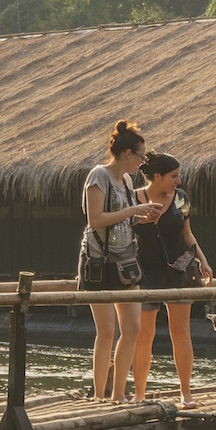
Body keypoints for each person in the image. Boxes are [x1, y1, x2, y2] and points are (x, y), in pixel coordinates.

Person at [79, 119, 159, 402]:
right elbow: (96, 219)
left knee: (133, 328)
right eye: (140, 157)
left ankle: (119, 394)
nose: (141, 163)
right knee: (107, 331)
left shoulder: (126, 181)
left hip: (126, 261)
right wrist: (133, 210)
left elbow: (124, 218)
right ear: (128, 155)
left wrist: (142, 215)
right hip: (100, 261)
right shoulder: (98, 176)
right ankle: (100, 395)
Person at [128, 152, 214, 405]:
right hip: (147, 269)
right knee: (144, 334)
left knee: (181, 331)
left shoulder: (181, 198)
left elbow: (187, 233)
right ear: (157, 177)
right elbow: (124, 227)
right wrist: (142, 217)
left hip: (180, 267)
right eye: (174, 176)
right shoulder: (135, 198)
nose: (178, 181)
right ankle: (139, 394)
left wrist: (203, 260)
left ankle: (185, 393)